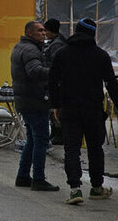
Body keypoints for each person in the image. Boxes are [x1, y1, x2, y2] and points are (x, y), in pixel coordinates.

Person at [49, 18, 118, 205]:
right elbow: (111, 83)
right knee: (96, 149)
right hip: (93, 110)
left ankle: (75, 189)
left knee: (71, 149)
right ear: (93, 34)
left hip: (69, 109)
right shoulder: (101, 55)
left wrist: (56, 106)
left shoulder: (63, 54)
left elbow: (52, 81)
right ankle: (96, 188)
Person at [11, 20, 59, 191]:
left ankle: (23, 176)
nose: (43, 33)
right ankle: (38, 178)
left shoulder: (21, 46)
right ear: (30, 33)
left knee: (32, 139)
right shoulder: (31, 49)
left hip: (26, 99)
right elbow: (35, 71)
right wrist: (56, 72)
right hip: (35, 100)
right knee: (41, 139)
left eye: (44, 30)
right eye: (39, 31)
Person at [43, 18, 66, 145]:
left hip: (56, 82)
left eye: (46, 30)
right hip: (54, 80)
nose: (44, 33)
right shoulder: (56, 42)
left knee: (54, 108)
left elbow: (57, 65)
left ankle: (58, 134)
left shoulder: (57, 44)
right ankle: (56, 132)